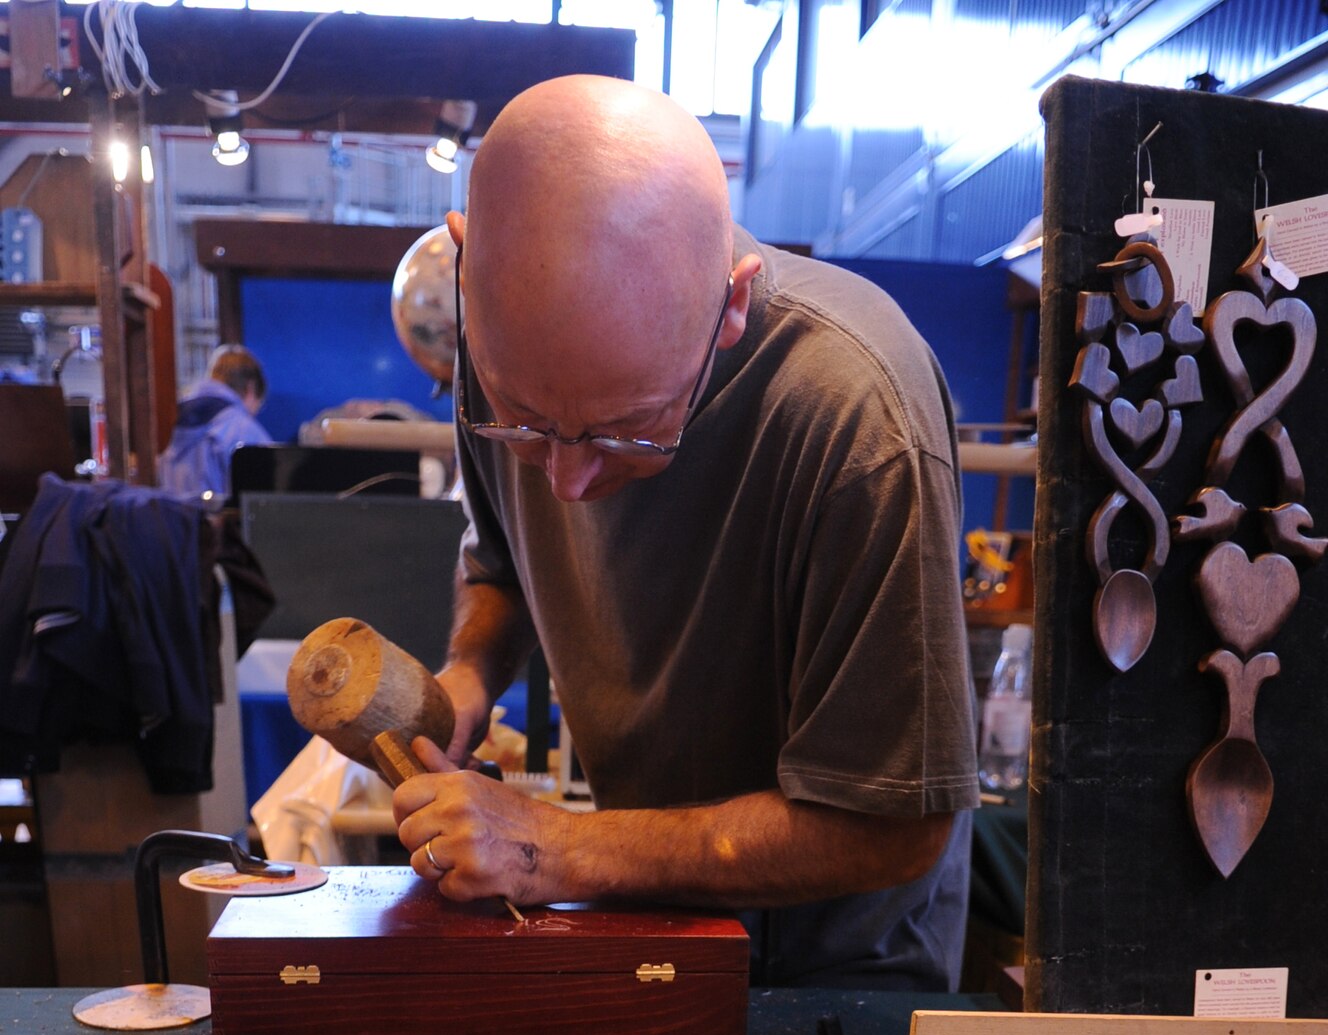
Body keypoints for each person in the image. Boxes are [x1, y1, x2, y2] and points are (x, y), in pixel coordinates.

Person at [394, 76, 978, 986]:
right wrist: (469, 675)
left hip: (829, 982)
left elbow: (894, 826)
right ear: (466, 268)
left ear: (732, 304)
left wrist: (558, 848)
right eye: (525, 424)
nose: (568, 480)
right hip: (644, 923)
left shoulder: (858, 418)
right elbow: (502, 563)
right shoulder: (501, 335)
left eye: (628, 432)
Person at [159, 345, 272, 507]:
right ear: (251, 388)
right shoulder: (242, 430)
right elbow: (266, 503)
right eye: (256, 407)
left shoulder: (168, 419)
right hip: (218, 530)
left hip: (169, 527)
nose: (252, 416)